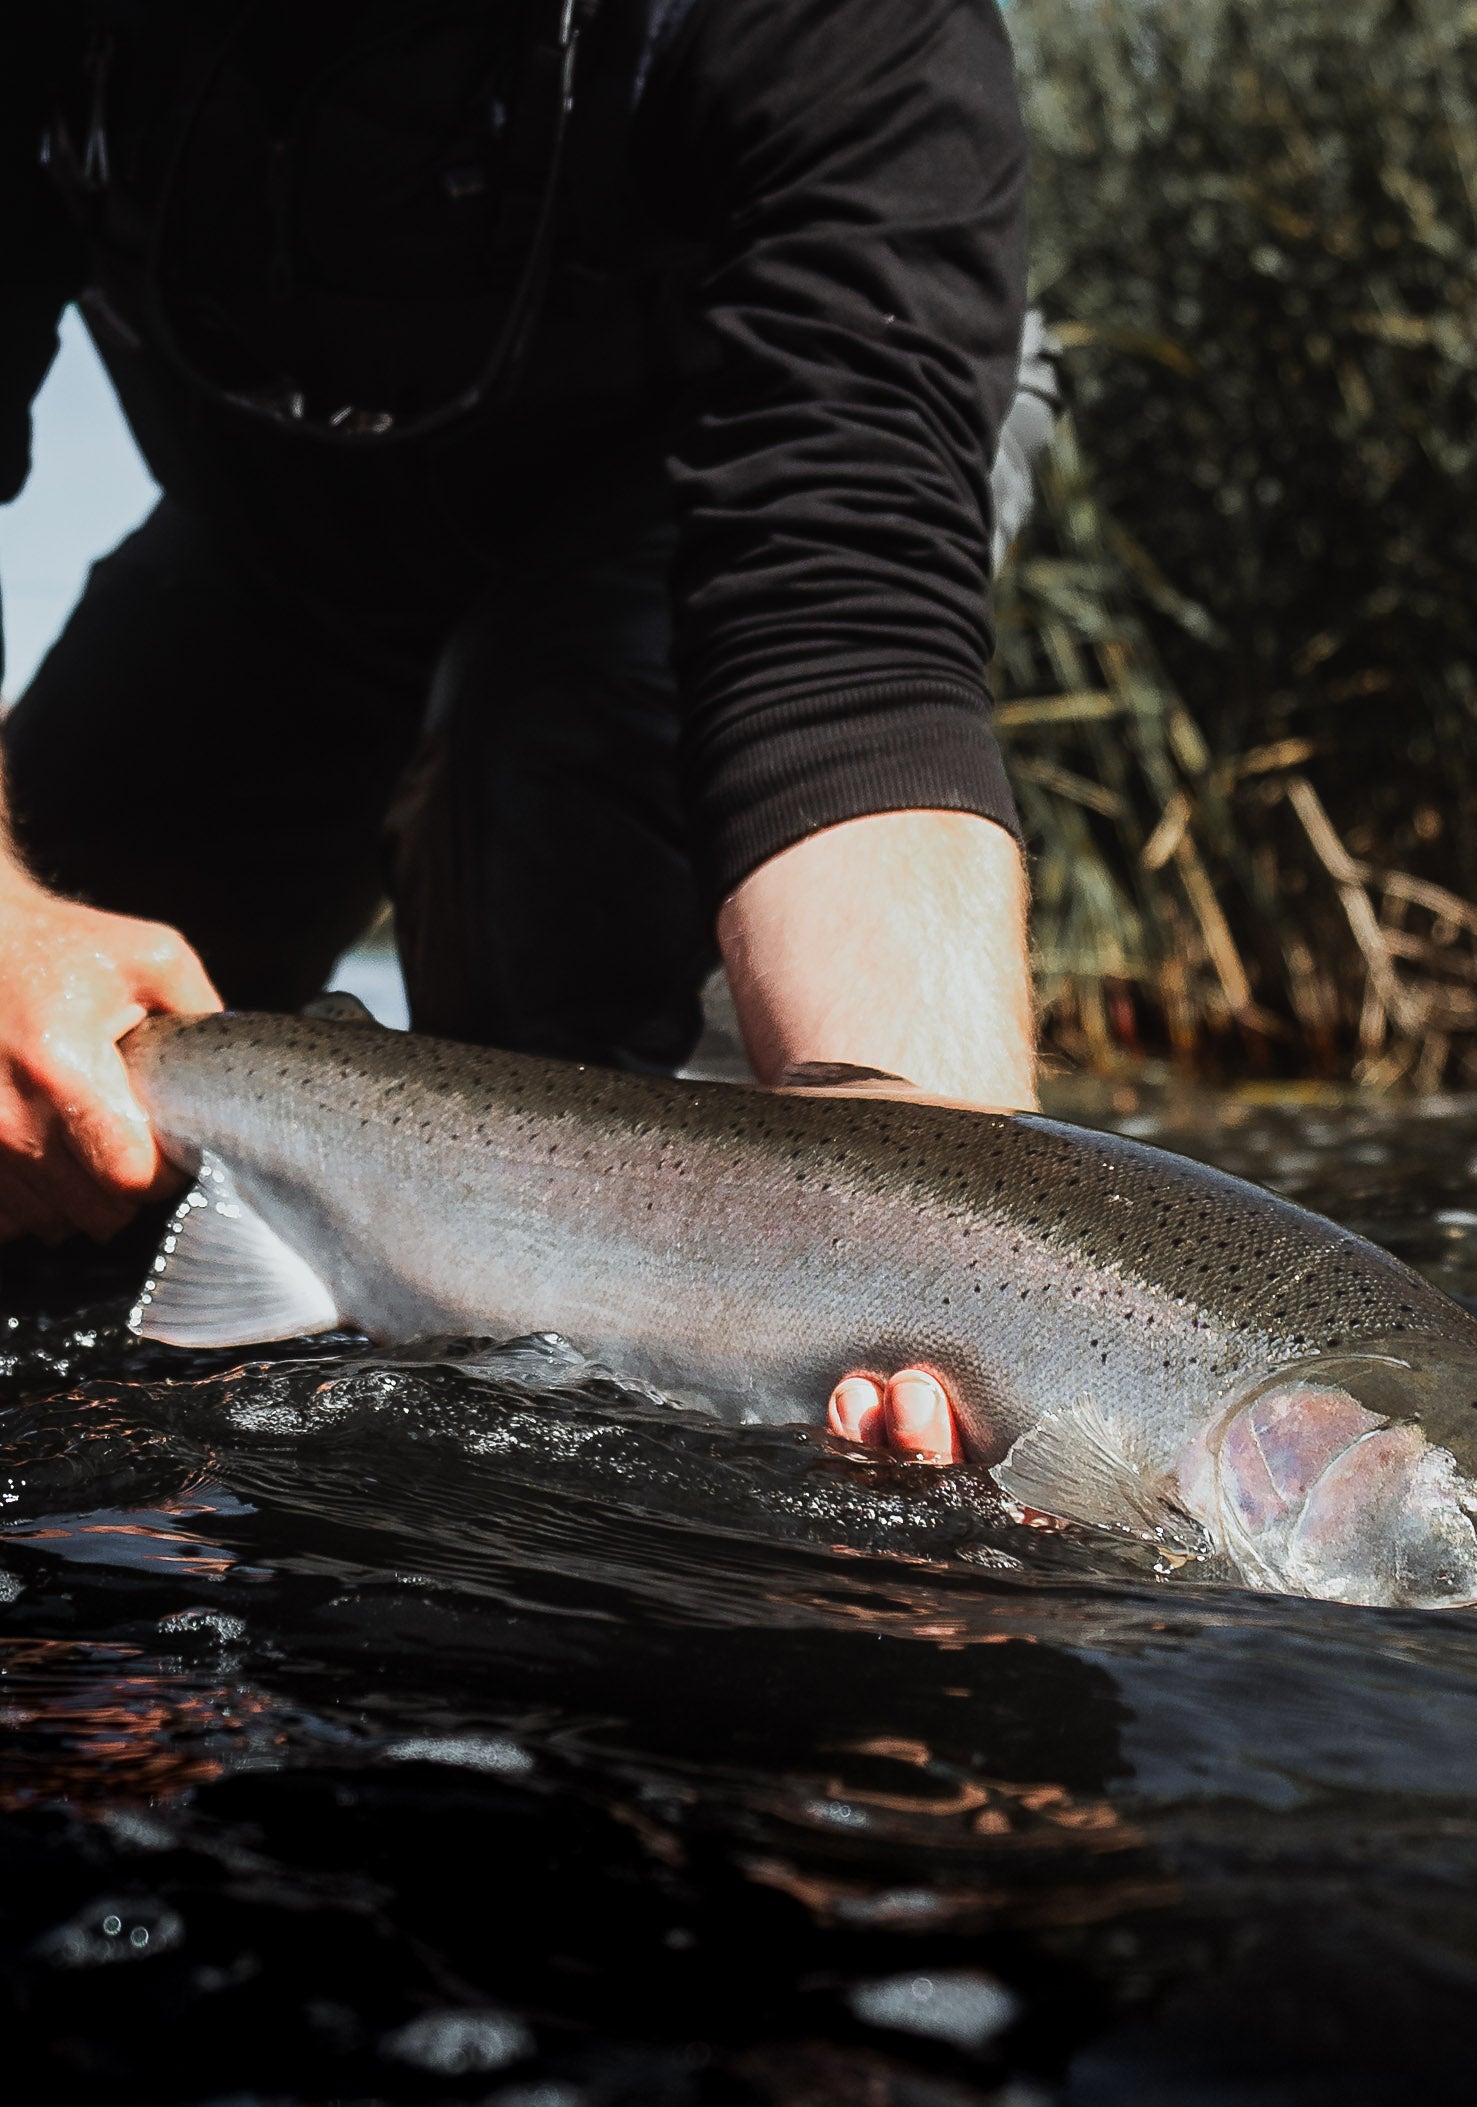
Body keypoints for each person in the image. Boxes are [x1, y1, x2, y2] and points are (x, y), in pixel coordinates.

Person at [0, 0, 1055, 1465]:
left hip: (681, 532)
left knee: (553, 838)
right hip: (272, 551)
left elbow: (846, 637)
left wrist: (958, 1258)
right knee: (41, 1127)